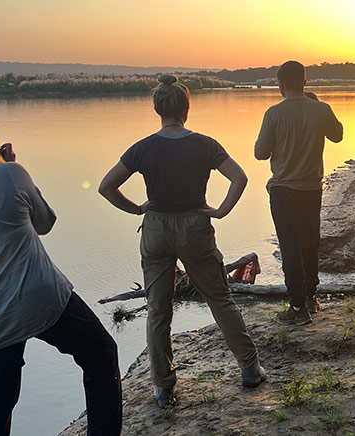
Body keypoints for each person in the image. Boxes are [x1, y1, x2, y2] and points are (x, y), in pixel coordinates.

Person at [0, 118, 122, 436]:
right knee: (101, 356)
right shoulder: (10, 174)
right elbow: (45, 223)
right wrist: (10, 166)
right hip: (41, 298)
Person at [99, 75, 265, 408]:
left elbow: (105, 187)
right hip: (194, 226)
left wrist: (138, 209)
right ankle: (249, 368)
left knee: (158, 312)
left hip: (156, 229)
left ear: (157, 108)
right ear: (186, 109)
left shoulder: (143, 147)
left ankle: (163, 388)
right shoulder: (205, 144)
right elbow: (240, 177)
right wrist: (219, 211)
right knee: (220, 300)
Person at [254, 60, 344, 325]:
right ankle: (311, 300)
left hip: (283, 190)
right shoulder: (322, 109)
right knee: (309, 244)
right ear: (305, 82)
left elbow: (260, 153)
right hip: (312, 189)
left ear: (281, 85)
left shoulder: (273, 114)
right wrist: (317, 105)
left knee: (290, 248)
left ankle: (296, 308)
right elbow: (337, 136)